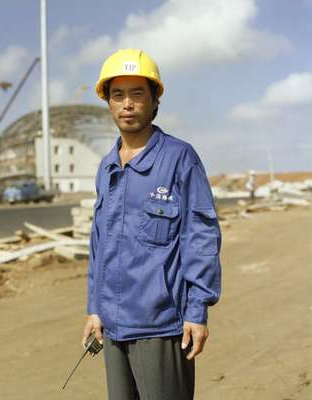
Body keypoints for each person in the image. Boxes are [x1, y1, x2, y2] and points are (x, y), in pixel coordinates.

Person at [81, 48, 222, 400]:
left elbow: (200, 235)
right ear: (109, 103)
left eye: (137, 93)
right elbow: (99, 244)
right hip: (112, 328)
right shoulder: (107, 166)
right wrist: (95, 309)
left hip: (161, 326)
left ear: (155, 99)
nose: (127, 104)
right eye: (118, 95)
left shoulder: (179, 158)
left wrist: (197, 311)